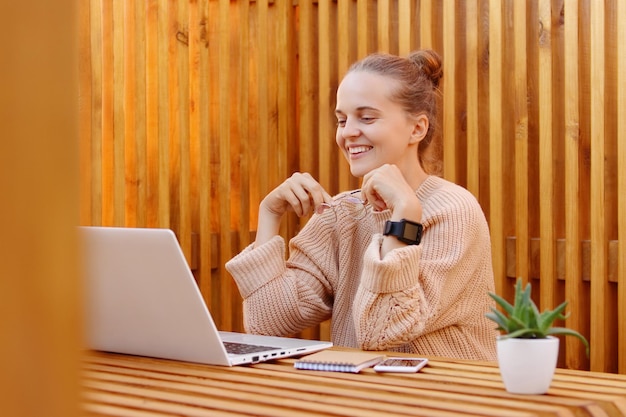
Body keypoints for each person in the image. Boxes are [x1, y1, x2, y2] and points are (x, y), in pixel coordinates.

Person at [225, 49, 498, 361]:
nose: (348, 132)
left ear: (417, 128)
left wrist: (404, 215)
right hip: (361, 395)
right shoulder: (343, 214)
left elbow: (385, 330)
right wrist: (269, 215)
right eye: (342, 119)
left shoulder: (453, 210)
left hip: (451, 397)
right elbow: (267, 324)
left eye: (366, 118)